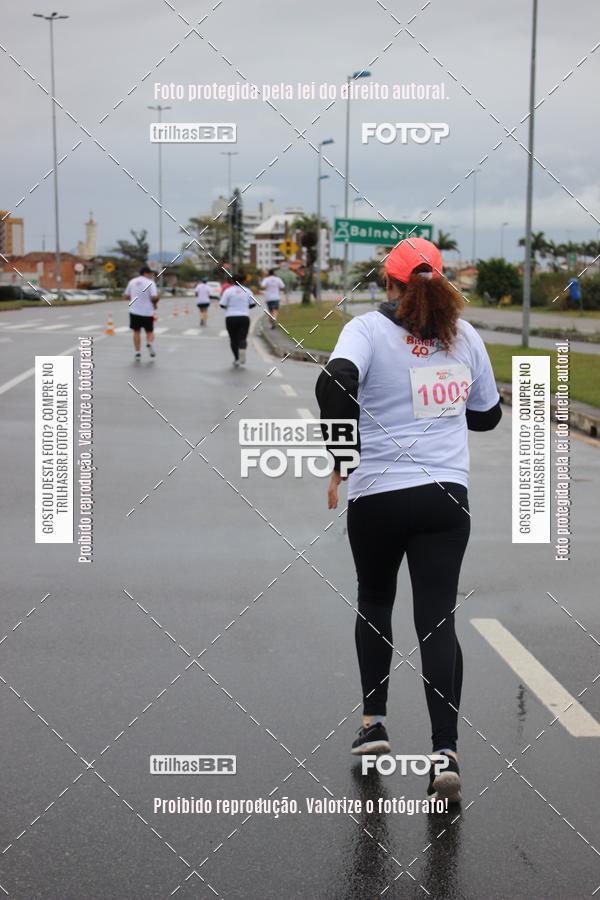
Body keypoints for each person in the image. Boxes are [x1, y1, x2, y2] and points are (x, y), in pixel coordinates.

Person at [315, 237, 502, 803]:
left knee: (375, 602)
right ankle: (444, 751)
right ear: (440, 281)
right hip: (445, 498)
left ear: (389, 283)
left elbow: (333, 381)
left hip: (377, 498)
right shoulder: (464, 336)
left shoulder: (367, 331)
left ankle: (374, 725)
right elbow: (489, 416)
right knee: (437, 620)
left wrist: (343, 459)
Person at [219, 275, 257, 367]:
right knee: (242, 338)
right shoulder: (248, 291)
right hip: (244, 317)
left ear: (232, 281)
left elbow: (222, 304)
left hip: (230, 317)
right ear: (244, 281)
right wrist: (244, 307)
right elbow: (253, 304)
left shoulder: (228, 291)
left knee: (233, 339)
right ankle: (242, 350)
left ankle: (237, 358)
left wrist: (230, 306)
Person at [124, 265, 159, 361]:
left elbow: (126, 296)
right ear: (145, 273)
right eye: (150, 273)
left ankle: (137, 352)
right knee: (150, 331)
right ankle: (149, 343)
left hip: (134, 311)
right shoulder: (150, 283)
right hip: (147, 312)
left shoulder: (132, 281)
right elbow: (154, 297)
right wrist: (155, 303)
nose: (151, 275)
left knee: (136, 331)